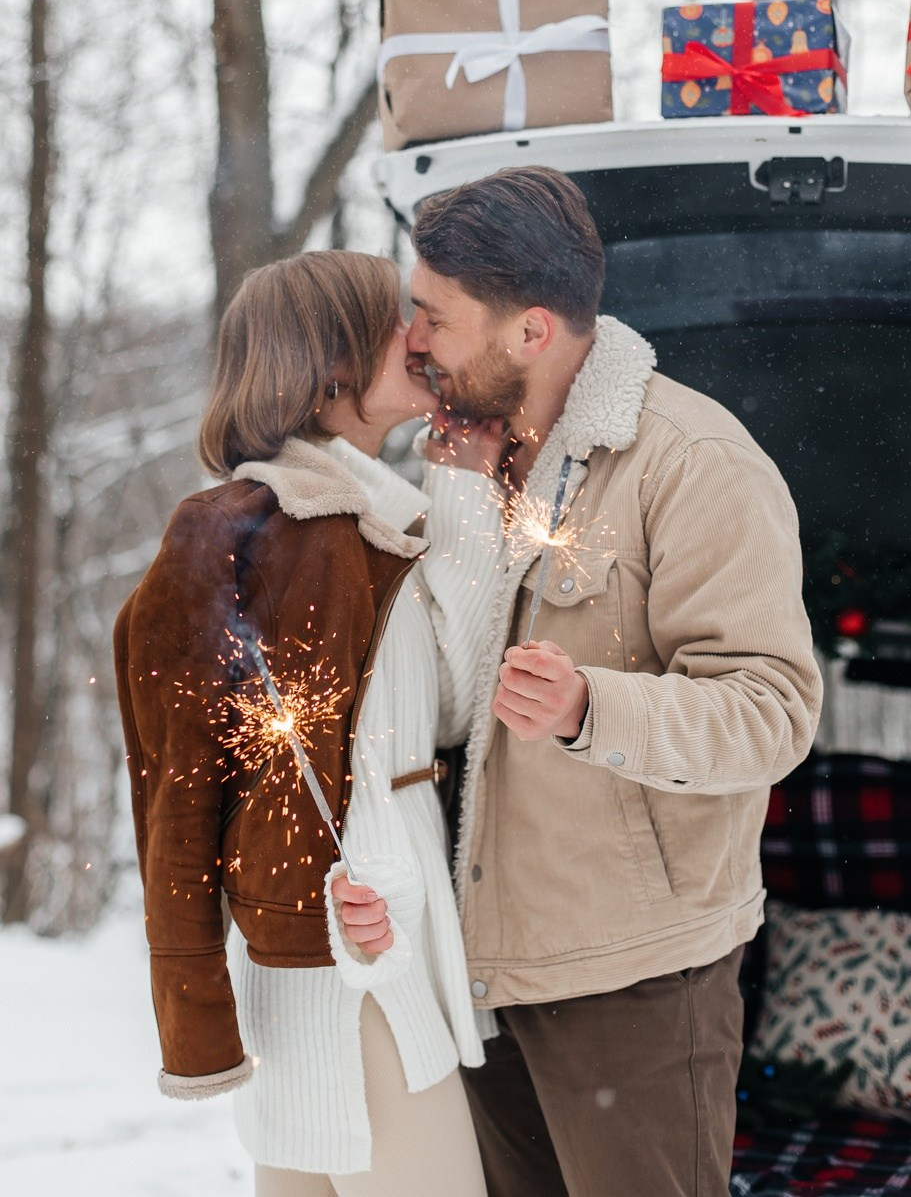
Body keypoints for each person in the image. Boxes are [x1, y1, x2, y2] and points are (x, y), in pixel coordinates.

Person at [399, 166, 824, 1197]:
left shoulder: (694, 462)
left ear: (531, 331)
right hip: (485, 965)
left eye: (434, 320)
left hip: (633, 978)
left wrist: (595, 706)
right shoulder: (457, 455)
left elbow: (774, 708)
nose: (413, 343)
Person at [113, 249, 505, 1196]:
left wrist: (461, 480)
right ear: (334, 363)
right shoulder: (258, 531)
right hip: (348, 947)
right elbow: (196, 778)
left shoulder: (359, 518)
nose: (419, 337)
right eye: (395, 322)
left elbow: (449, 704)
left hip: (367, 930)